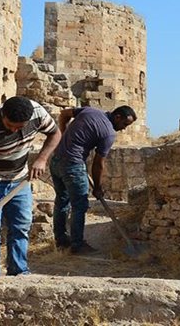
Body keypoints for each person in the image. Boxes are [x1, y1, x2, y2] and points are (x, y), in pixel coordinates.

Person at [0, 96, 61, 276]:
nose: (13, 130)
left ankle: (19, 272)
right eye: (10, 125)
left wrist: (41, 159)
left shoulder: (37, 113)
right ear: (2, 114)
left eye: (19, 127)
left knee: (21, 225)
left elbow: (55, 133)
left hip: (20, 178)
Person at [50, 105, 137, 254]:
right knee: (79, 205)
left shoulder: (89, 110)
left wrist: (63, 134)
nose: (124, 129)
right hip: (73, 166)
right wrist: (97, 187)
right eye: (124, 124)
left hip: (56, 161)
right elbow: (98, 164)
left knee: (62, 201)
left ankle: (61, 241)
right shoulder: (109, 133)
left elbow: (63, 114)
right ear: (117, 117)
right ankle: (77, 245)